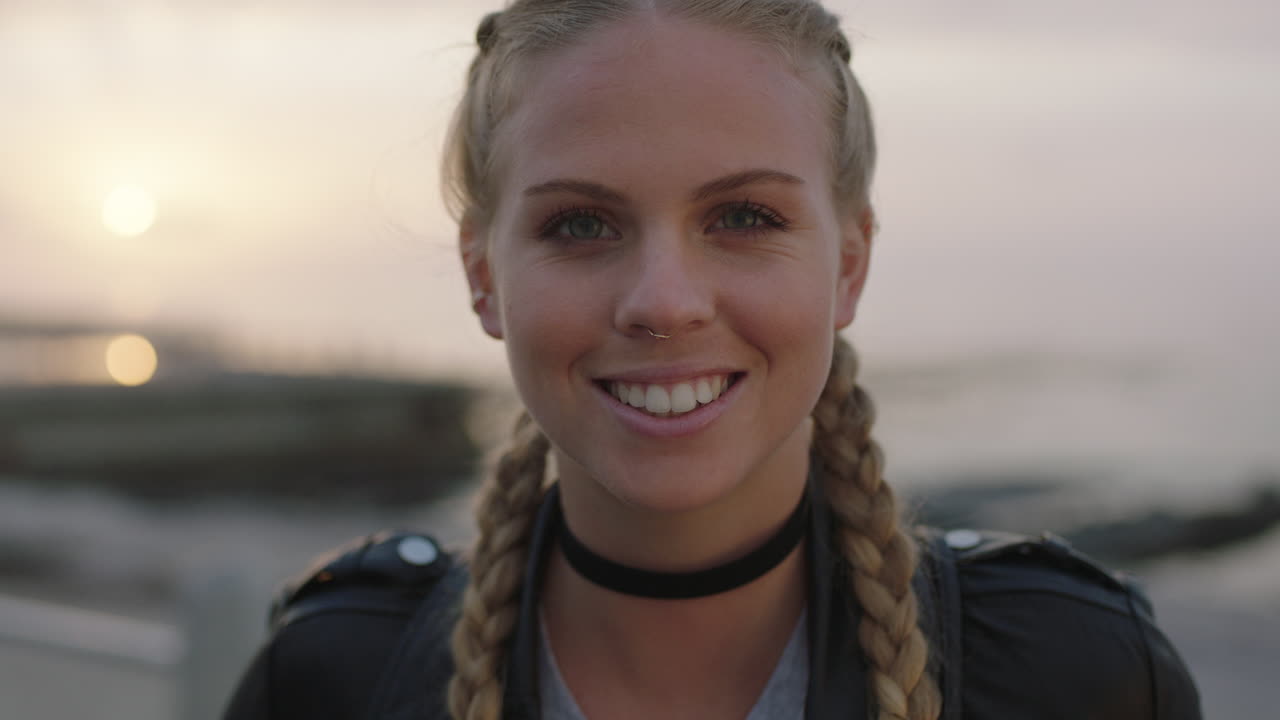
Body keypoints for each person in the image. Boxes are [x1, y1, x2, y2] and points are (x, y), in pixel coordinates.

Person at [224, 1, 1201, 719]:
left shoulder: (1075, 674)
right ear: (483, 276)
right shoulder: (332, 677)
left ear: (846, 266)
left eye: (742, 217)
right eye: (579, 224)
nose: (663, 301)